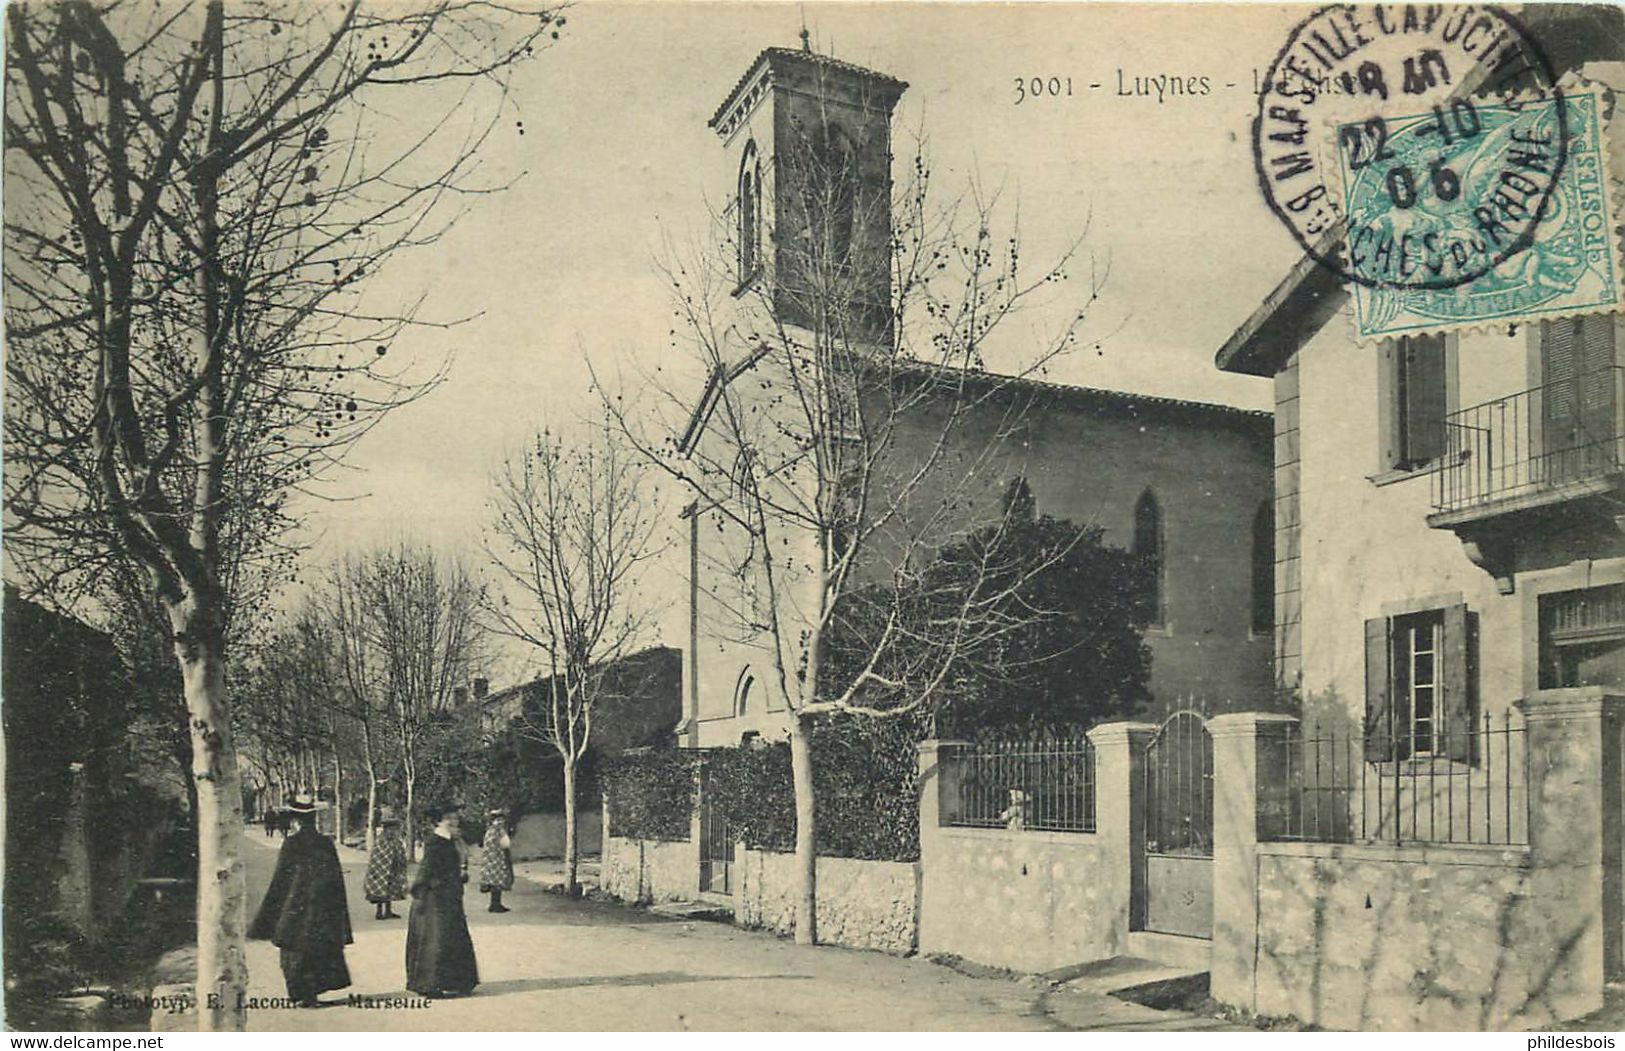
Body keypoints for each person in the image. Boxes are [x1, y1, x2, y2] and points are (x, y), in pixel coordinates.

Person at [248, 795, 352, 1008]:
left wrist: (268, 917)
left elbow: (280, 880)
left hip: (295, 906)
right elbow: (336, 880)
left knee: (295, 949)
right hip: (323, 906)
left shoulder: (291, 843)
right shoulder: (326, 843)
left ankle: (302, 994)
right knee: (320, 947)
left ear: (295, 819)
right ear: (314, 818)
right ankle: (313, 992)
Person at [405, 804, 479, 998]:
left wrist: (459, 876)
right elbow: (427, 870)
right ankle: (431, 985)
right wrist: (420, 890)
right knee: (436, 938)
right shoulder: (435, 842)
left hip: (449, 897)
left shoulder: (450, 840)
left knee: (451, 936)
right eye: (450, 819)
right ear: (439, 822)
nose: (455, 822)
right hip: (435, 899)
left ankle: (457, 982)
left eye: (456, 818)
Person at [363, 807, 407, 920]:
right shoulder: (382, 840)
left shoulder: (396, 840)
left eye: (395, 829)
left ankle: (388, 911)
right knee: (380, 888)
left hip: (393, 868)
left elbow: (400, 852)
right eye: (392, 829)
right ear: (386, 829)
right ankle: (379, 911)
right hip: (381, 869)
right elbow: (379, 855)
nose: (394, 831)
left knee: (390, 889)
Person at [478, 809, 514, 913]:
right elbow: (505, 844)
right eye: (499, 818)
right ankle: (495, 905)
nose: (501, 821)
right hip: (497, 859)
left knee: (494, 881)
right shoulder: (498, 830)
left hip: (490, 859)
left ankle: (494, 904)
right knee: (497, 881)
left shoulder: (490, 830)